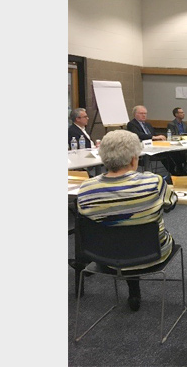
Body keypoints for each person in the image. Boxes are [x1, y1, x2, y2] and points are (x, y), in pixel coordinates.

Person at [76, 129, 178, 312]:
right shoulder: (153, 183)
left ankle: (133, 290)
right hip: (152, 253)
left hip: (104, 255)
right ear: (133, 159)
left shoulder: (86, 189)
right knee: (138, 233)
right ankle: (133, 288)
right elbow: (171, 203)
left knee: (121, 233)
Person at [126, 105, 177, 176]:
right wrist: (154, 137)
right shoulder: (131, 124)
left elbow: (154, 134)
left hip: (154, 146)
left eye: (145, 113)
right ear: (135, 114)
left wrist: (160, 138)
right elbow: (139, 135)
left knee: (172, 153)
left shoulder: (148, 124)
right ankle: (175, 173)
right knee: (167, 155)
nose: (144, 115)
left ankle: (176, 172)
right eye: (141, 113)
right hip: (142, 148)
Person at [163, 107, 187, 174]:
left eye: (183, 112)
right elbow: (173, 135)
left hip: (185, 143)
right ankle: (180, 169)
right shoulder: (171, 124)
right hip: (176, 144)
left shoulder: (185, 124)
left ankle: (184, 167)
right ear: (176, 114)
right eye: (181, 113)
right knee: (178, 153)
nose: (183, 114)